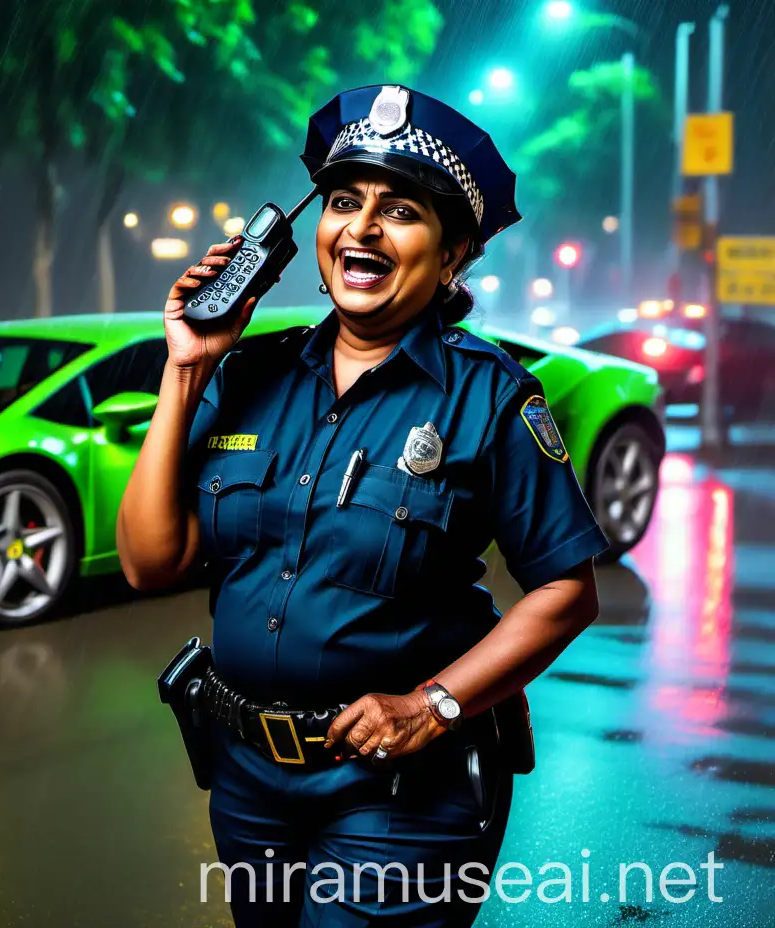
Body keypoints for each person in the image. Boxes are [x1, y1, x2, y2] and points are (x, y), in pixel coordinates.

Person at [117, 84, 610, 927]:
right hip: (248, 781)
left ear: (453, 256)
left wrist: (433, 706)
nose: (363, 229)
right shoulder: (246, 376)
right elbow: (147, 559)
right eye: (345, 203)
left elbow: (567, 592)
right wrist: (187, 366)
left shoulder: (488, 397)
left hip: (400, 793)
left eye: (401, 212)